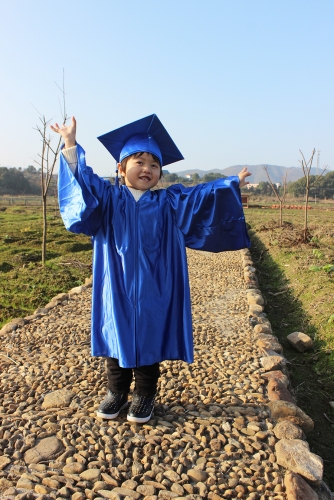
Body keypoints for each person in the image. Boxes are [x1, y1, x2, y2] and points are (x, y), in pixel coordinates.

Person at [52, 114, 251, 423]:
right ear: (120, 167)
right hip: (115, 282)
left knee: (149, 338)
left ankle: (145, 396)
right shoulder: (108, 198)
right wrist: (70, 143)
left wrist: (230, 184)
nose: (147, 169)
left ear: (161, 173)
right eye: (139, 162)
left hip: (155, 285)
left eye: (154, 165)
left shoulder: (168, 202)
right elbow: (83, 182)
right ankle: (116, 392)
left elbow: (198, 196)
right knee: (115, 336)